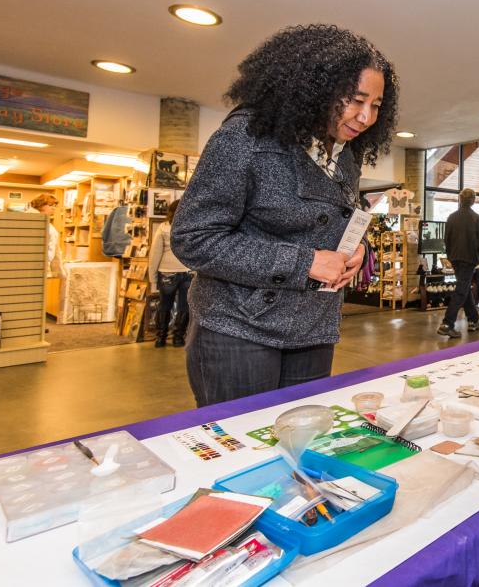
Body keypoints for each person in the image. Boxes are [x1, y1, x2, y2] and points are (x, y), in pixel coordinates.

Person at [172, 24, 399, 406]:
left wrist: (358, 251)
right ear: (315, 89)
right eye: (355, 100)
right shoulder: (244, 138)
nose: (365, 117)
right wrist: (305, 262)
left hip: (313, 328)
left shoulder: (345, 156)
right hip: (238, 329)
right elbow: (193, 238)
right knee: (246, 450)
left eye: (375, 105)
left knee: (301, 443)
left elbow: (333, 222)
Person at [437, 188, 479, 338]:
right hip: (469, 259)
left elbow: (447, 239)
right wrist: (478, 257)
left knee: (464, 288)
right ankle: (447, 323)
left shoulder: (451, 217)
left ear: (460, 199)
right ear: (473, 200)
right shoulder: (477, 218)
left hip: (455, 259)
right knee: (461, 290)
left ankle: (474, 320)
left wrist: (451, 256)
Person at [148, 200, 191, 348]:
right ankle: (178, 337)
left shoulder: (163, 228)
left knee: (164, 304)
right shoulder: (189, 228)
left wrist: (152, 276)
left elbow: (155, 254)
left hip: (166, 272)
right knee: (184, 306)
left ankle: (160, 338)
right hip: (187, 271)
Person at [27, 193, 65, 279]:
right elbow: (49, 251)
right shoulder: (40, 223)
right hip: (39, 268)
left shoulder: (40, 221)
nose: (53, 208)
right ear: (40, 205)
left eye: (55, 205)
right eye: (50, 205)